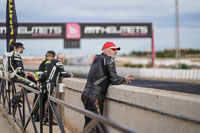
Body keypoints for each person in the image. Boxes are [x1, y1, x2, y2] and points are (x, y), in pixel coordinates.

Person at [81, 42, 134, 133]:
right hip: (95, 96)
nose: (116, 52)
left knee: (89, 123)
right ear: (107, 50)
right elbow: (114, 80)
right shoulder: (109, 59)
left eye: (116, 50)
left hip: (86, 93)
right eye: (113, 50)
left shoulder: (96, 58)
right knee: (97, 124)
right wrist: (125, 78)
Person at [42, 52, 73, 125]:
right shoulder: (59, 63)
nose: (64, 60)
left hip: (45, 83)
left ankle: (45, 119)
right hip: (51, 84)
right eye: (64, 59)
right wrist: (70, 74)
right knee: (52, 102)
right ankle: (48, 121)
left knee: (49, 101)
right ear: (61, 58)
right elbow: (63, 73)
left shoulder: (50, 62)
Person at [8, 42, 39, 108]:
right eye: (22, 48)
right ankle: (14, 100)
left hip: (13, 75)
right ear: (18, 48)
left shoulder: (12, 54)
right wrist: (24, 76)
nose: (23, 49)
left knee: (29, 85)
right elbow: (19, 68)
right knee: (33, 85)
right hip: (16, 76)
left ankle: (15, 99)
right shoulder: (16, 54)